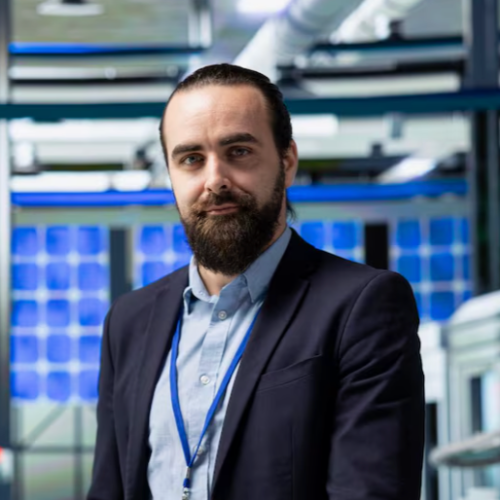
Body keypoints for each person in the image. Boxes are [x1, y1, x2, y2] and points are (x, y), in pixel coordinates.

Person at [88, 63, 425, 500]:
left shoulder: (361, 306)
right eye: (191, 159)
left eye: (239, 151)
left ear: (287, 162)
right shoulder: (129, 321)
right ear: (171, 175)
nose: (215, 180)